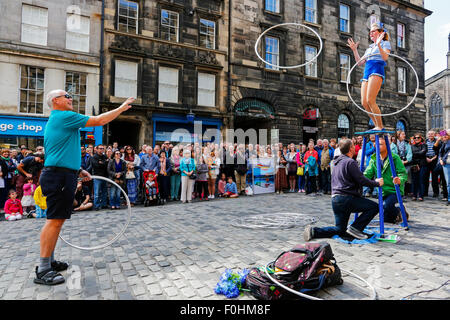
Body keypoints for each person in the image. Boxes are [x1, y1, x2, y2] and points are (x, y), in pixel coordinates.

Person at [34, 89, 133, 286]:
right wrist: (121, 108)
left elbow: (59, 150)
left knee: (56, 221)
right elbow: (99, 120)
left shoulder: (61, 120)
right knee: (54, 221)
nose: (71, 98)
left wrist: (78, 170)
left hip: (62, 173)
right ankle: (44, 269)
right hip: (58, 176)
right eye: (66, 95)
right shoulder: (64, 116)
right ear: (56, 101)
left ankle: (50, 261)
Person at [303, 138, 383, 241]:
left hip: (335, 199)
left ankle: (314, 231)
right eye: (353, 146)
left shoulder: (337, 162)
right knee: (374, 207)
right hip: (346, 199)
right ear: (350, 149)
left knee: (340, 229)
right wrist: (377, 183)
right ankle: (356, 228)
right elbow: (361, 180)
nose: (354, 148)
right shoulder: (350, 162)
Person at [347, 22, 391, 130]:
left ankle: (380, 126)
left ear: (381, 32)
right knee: (364, 103)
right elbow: (359, 63)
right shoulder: (369, 48)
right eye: (370, 32)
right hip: (367, 71)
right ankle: (377, 124)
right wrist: (354, 50)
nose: (371, 33)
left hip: (376, 69)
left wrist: (379, 44)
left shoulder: (385, 43)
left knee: (371, 100)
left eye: (373, 31)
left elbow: (385, 57)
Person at [364, 137, 409, 223]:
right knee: (387, 220)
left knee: (386, 205)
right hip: (382, 190)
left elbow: (403, 173)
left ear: (387, 146)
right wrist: (359, 178)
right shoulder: (374, 159)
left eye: (380, 144)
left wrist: (399, 180)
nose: (377, 146)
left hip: (394, 190)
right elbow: (367, 173)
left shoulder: (395, 158)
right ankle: (399, 211)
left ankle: (399, 210)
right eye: (376, 144)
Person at [410, 133, 427, 201]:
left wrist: (415, 154)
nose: (416, 139)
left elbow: (423, 152)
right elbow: (411, 155)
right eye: (415, 138)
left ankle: (421, 195)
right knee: (414, 181)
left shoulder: (424, 145)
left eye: (418, 138)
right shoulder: (412, 146)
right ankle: (414, 195)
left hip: (422, 164)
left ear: (421, 138)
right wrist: (418, 153)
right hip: (414, 164)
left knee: (421, 180)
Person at [423, 130, 440, 198]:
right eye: (429, 134)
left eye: (432, 134)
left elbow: (438, 151)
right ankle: (425, 192)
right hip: (426, 160)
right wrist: (426, 158)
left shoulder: (437, 141)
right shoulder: (425, 141)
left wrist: (432, 159)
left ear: (434, 134)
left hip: (434, 160)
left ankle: (435, 193)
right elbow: (423, 151)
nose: (430, 135)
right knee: (426, 177)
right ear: (427, 135)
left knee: (434, 177)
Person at [438, 129, 450, 206]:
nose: (444, 137)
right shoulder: (444, 143)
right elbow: (440, 152)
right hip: (446, 163)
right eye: (443, 136)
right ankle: (449, 199)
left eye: (446, 136)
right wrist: (440, 159)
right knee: (448, 182)